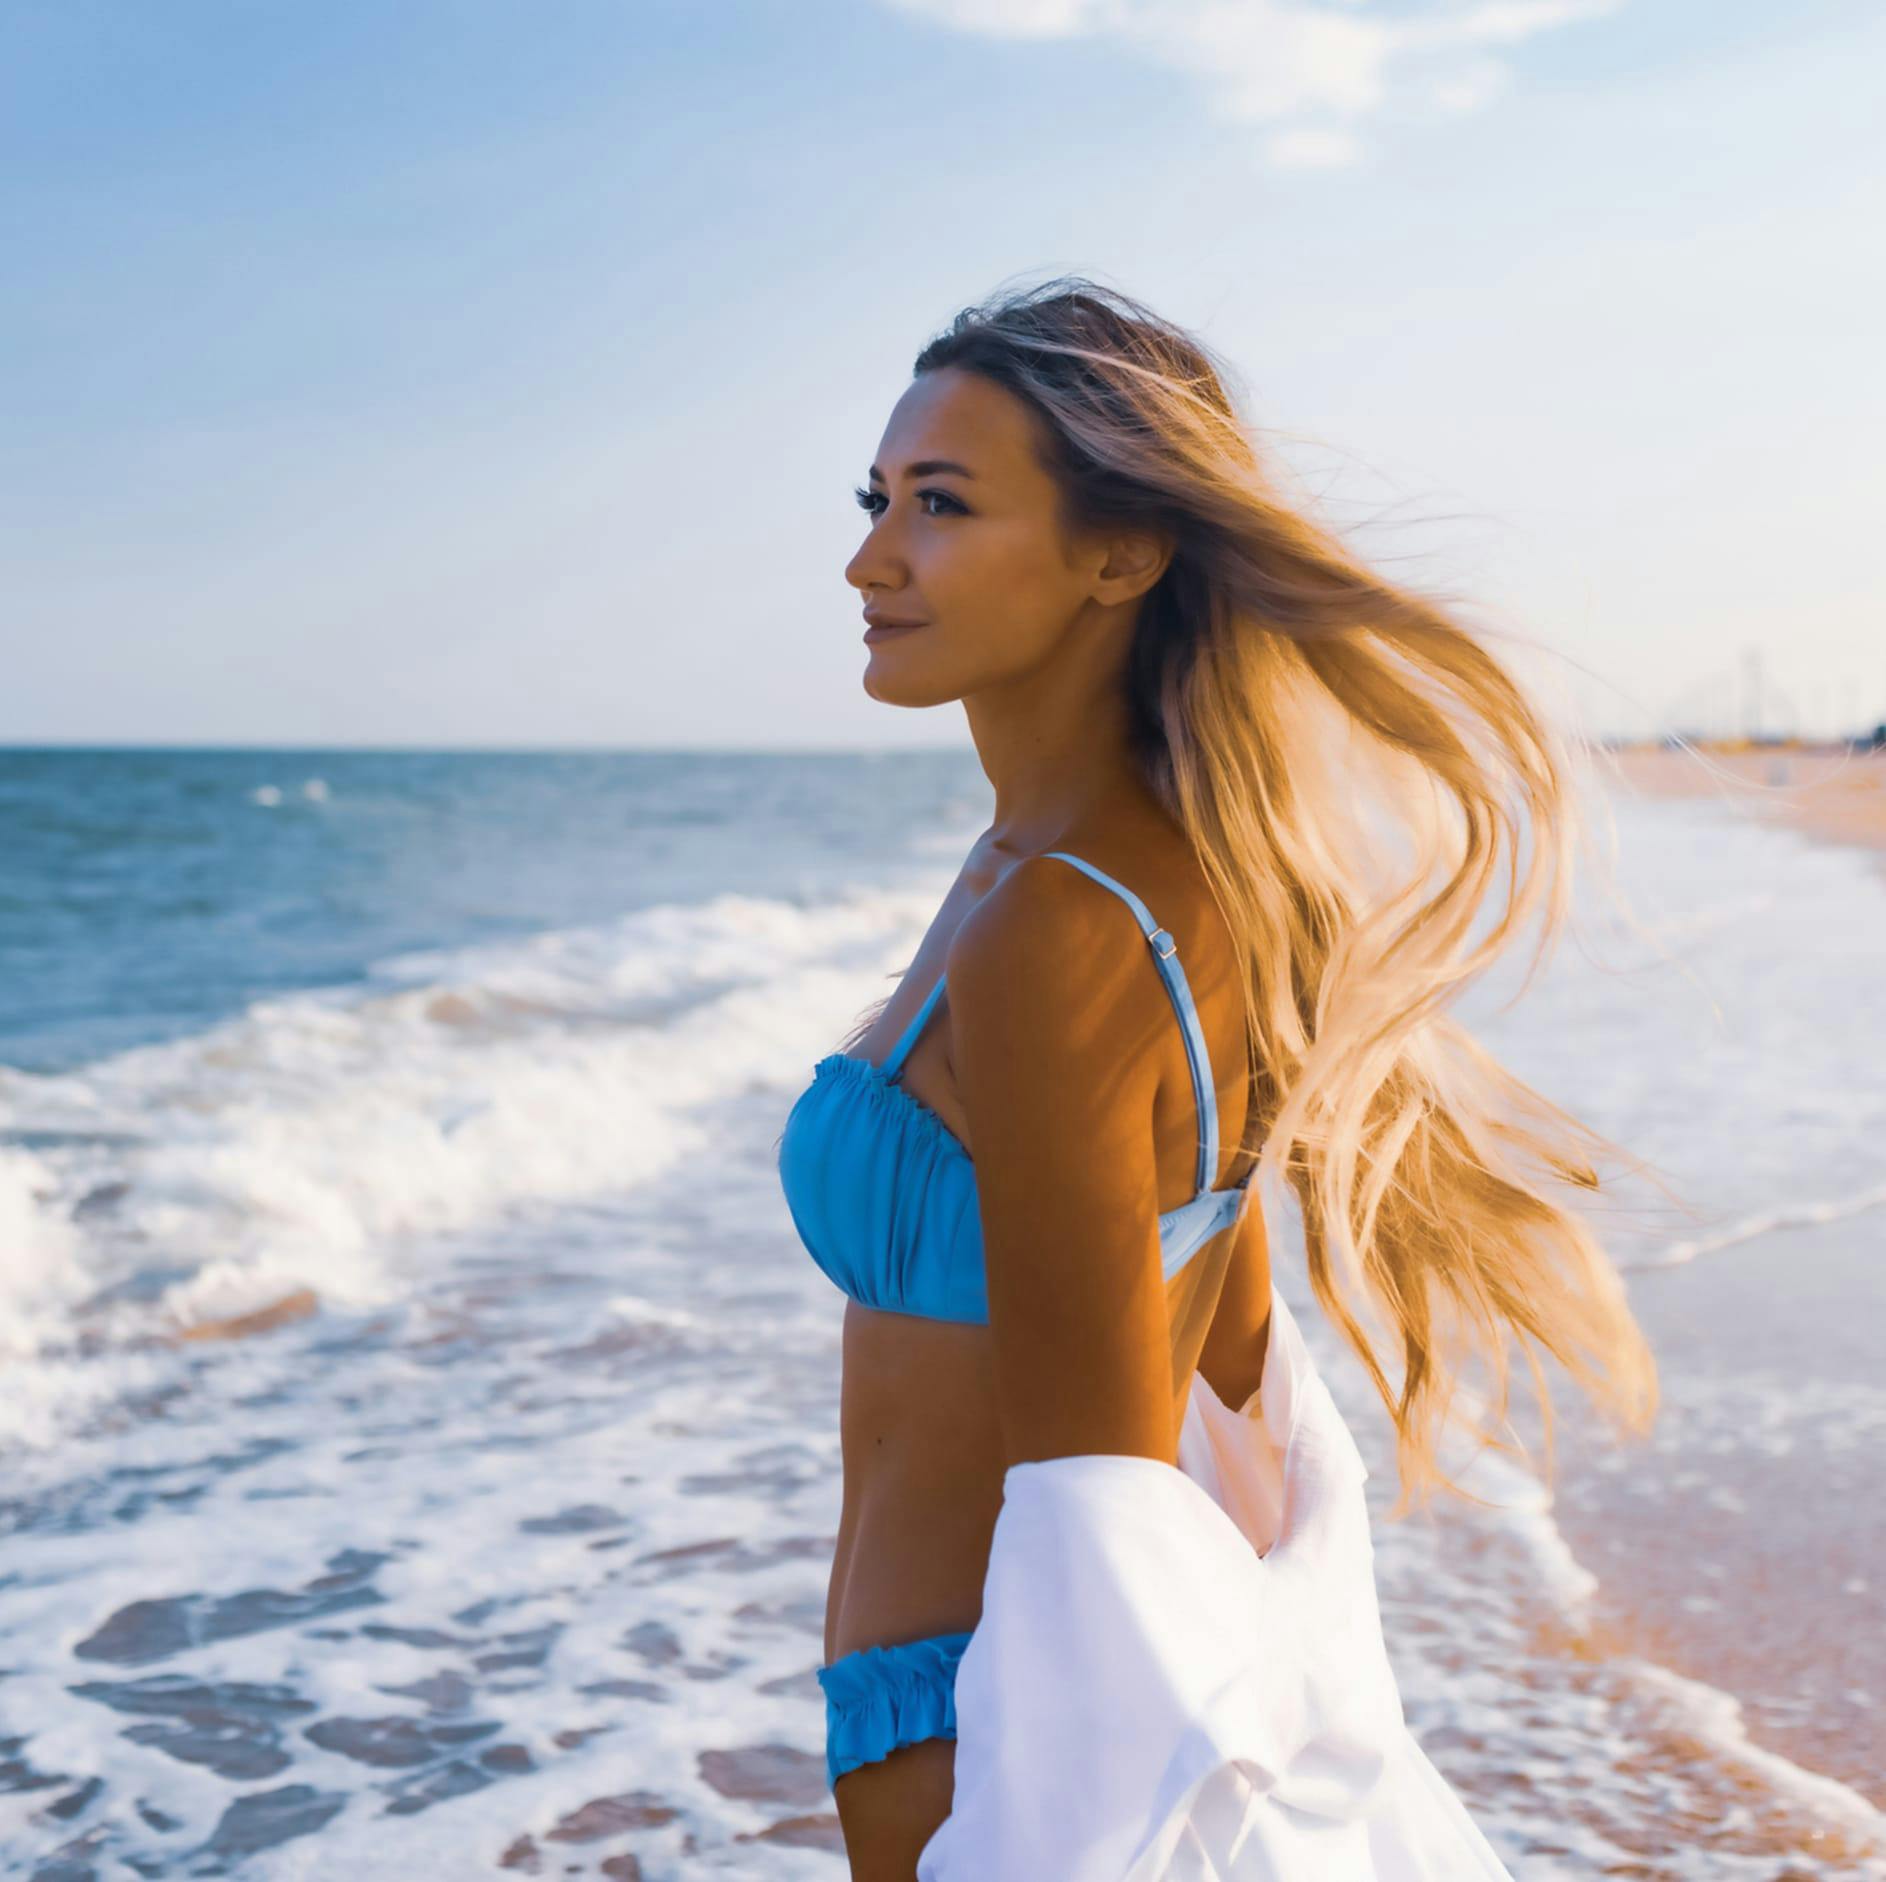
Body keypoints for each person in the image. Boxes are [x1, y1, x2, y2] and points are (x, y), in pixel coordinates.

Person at [776, 275, 1656, 1880]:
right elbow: (1230, 1340)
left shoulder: (1057, 921)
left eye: (942, 505)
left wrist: (1069, 1818)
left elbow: (1096, 1488)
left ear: (1121, 552)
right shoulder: (1104, 871)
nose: (868, 558)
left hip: (987, 1728)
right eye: (878, 499)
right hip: (978, 1694)